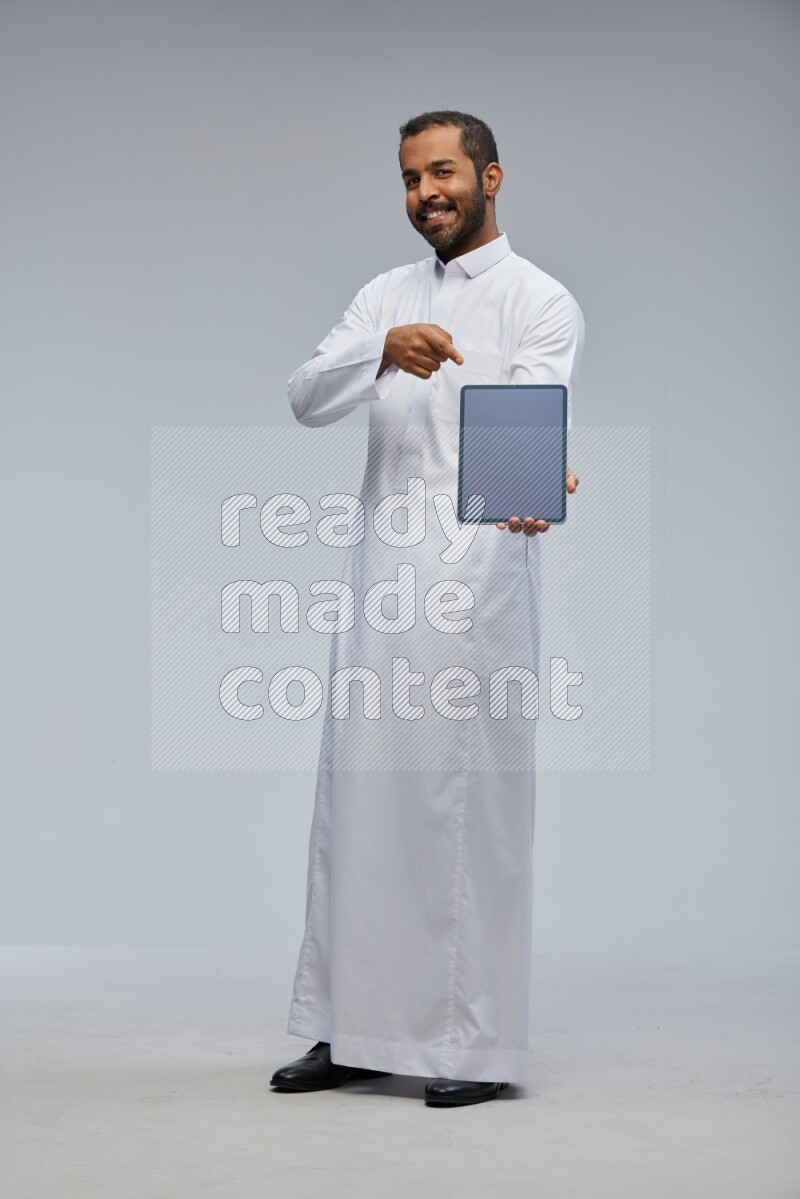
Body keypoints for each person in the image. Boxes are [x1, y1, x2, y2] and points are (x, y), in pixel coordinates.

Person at [270, 110, 585, 1107]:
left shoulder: (539, 301)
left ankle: (471, 1046)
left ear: (491, 176)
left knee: (464, 816)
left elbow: (516, 448)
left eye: (442, 172)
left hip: (476, 599)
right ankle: (351, 1029)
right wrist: (377, 351)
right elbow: (303, 396)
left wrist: (535, 478)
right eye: (409, 178)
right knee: (358, 809)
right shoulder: (385, 296)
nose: (424, 194)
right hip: (378, 592)